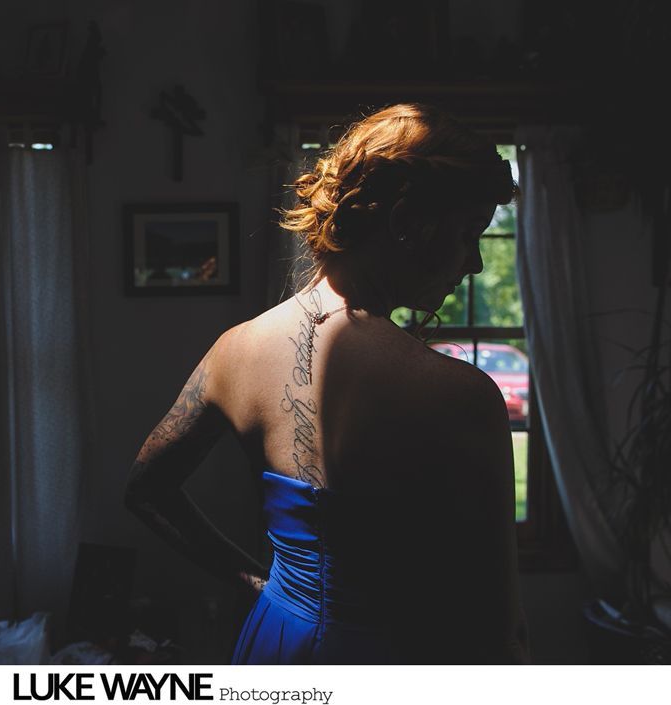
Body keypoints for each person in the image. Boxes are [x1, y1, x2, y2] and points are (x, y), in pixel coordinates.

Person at [123, 103, 530, 664]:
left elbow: (145, 489)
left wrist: (258, 584)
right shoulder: (460, 395)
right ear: (407, 223)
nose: (477, 264)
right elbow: (498, 627)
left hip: (276, 643)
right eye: (469, 234)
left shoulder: (234, 350)